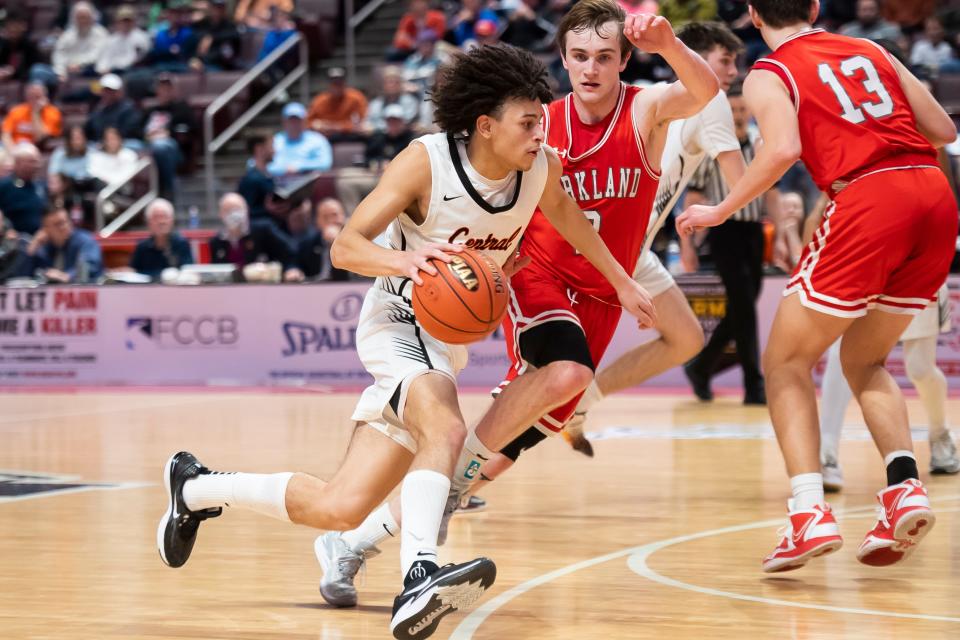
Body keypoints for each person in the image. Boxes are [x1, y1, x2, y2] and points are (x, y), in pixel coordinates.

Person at [156, 43, 654, 639]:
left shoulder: (537, 169)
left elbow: (571, 221)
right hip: (395, 319)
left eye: (541, 120)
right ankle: (419, 573)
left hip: (443, 343)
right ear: (486, 125)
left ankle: (195, 486)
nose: (540, 132)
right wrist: (408, 257)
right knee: (444, 427)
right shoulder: (426, 163)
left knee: (339, 506)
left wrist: (622, 282)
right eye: (528, 122)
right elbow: (346, 246)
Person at [319, 2, 719, 604]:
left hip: (602, 290)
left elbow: (705, 89)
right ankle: (440, 497)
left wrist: (668, 45)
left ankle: (365, 538)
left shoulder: (644, 109)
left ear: (623, 62)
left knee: (520, 436)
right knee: (565, 372)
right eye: (579, 56)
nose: (591, 68)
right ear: (562, 60)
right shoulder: (536, 123)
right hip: (538, 276)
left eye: (605, 57)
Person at [676, 0, 957, 572]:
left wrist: (723, 208)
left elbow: (782, 150)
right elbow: (943, 129)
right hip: (933, 195)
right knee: (865, 358)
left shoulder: (770, 72)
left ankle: (808, 514)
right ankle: (904, 485)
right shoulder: (871, 48)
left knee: (785, 363)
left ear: (752, 15)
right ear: (815, 6)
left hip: (869, 195)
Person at [680, 81, 783, 405]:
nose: (738, 115)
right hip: (724, 233)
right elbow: (694, 196)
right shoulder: (714, 146)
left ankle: (701, 366)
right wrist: (688, 245)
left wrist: (779, 237)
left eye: (742, 109)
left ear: (749, 111)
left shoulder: (760, 143)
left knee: (743, 307)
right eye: (733, 110)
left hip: (753, 231)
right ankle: (754, 385)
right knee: (743, 306)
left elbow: (773, 195)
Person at [208, 192, 304, 282]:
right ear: (220, 214)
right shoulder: (216, 242)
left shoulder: (263, 230)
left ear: (247, 210)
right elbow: (215, 271)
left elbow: (290, 250)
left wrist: (292, 269)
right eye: (228, 210)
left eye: (237, 209)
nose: (234, 214)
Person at [21, 207, 103, 283]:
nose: (64, 227)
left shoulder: (85, 241)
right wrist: (33, 245)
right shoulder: (46, 246)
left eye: (66, 221)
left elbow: (89, 266)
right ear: (46, 229)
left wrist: (67, 276)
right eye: (58, 224)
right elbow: (24, 275)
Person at [130, 198, 193, 279]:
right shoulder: (142, 247)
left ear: (172, 220)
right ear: (148, 222)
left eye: (165, 216)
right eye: (156, 217)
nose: (161, 221)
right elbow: (133, 273)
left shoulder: (182, 244)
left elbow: (189, 272)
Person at [268, 103, 333, 177]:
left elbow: (325, 163)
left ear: (305, 121)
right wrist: (283, 169)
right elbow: (259, 163)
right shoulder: (275, 141)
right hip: (276, 182)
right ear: (284, 122)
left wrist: (299, 167)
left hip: (307, 183)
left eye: (298, 120)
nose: (294, 124)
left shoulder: (317, 140)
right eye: (291, 120)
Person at [306, 68, 369, 142]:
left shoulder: (356, 98)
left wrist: (336, 127)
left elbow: (362, 123)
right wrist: (316, 125)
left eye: (339, 83)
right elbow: (308, 123)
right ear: (329, 84)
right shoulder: (319, 101)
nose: (337, 86)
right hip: (325, 137)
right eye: (334, 83)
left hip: (349, 136)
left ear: (344, 83)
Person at [239, 134, 289, 224]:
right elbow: (246, 212)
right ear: (259, 149)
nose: (274, 151)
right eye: (271, 146)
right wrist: (267, 209)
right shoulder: (251, 180)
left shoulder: (268, 176)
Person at [297, 197, 351, 281]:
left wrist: (337, 244)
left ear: (344, 217)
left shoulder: (356, 242)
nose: (331, 221)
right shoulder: (308, 243)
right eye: (325, 217)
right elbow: (298, 266)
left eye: (334, 215)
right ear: (317, 222)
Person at [52, 2, 108, 80]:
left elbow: (95, 55)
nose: (83, 21)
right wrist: (60, 72)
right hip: (68, 70)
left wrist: (78, 64)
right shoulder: (67, 35)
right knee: (39, 70)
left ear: (91, 17)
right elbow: (59, 54)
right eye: (80, 17)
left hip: (91, 69)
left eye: (85, 17)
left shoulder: (101, 33)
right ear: (74, 18)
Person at [0, 143, 46, 235]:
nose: (37, 165)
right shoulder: (4, 186)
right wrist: (6, 230)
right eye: (32, 162)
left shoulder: (41, 186)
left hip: (41, 239)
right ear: (18, 162)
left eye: (37, 161)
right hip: (13, 240)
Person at [2, 83, 63, 150]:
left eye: (37, 97)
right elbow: (6, 134)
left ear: (45, 98)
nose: (34, 100)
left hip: (33, 149)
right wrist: (12, 151)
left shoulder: (52, 112)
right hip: (14, 147)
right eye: (31, 97)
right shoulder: (17, 111)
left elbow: (40, 137)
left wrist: (35, 113)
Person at [84, 74, 143, 142]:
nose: (107, 93)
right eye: (104, 90)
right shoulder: (97, 110)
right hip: (100, 144)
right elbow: (89, 131)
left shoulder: (129, 109)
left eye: (110, 90)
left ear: (119, 92)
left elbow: (127, 132)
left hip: (124, 144)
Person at [95, 5, 151, 76]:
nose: (125, 24)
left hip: (131, 72)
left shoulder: (142, 37)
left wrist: (113, 69)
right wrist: (102, 69)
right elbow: (105, 58)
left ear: (134, 21)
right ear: (117, 22)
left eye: (128, 21)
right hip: (111, 73)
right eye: (123, 21)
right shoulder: (111, 39)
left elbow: (135, 59)